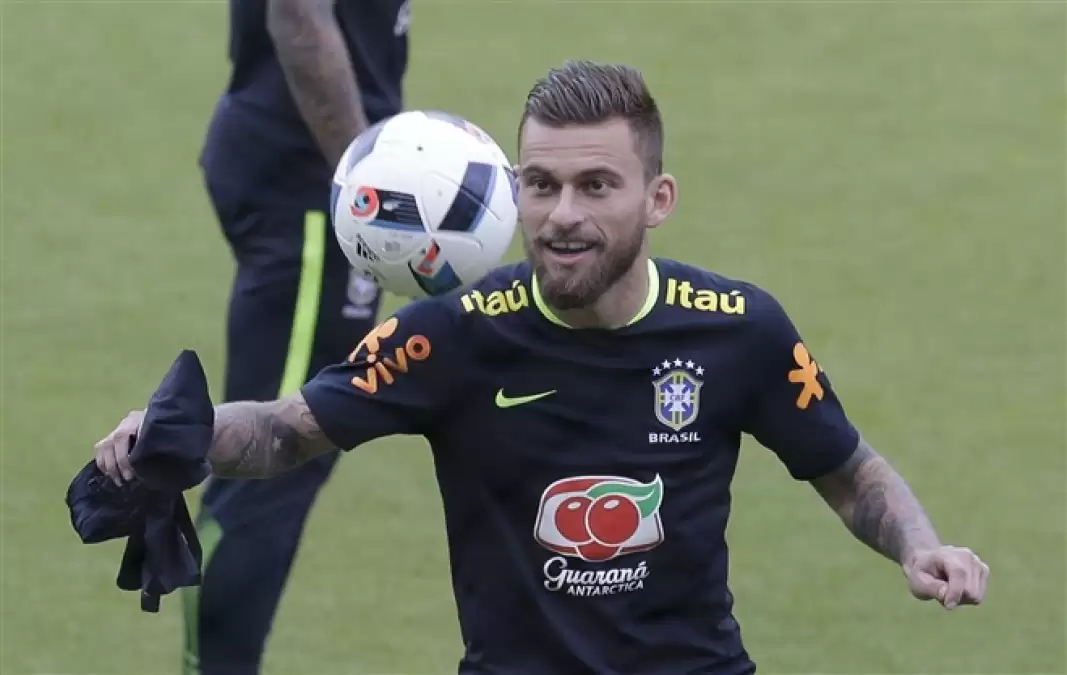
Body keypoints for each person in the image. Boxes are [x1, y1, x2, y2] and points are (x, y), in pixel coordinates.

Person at [99, 60, 989, 675]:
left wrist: (920, 544)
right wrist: (180, 434)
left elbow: (848, 469)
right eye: (540, 184)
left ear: (658, 198)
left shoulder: (737, 329)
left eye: (596, 186)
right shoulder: (449, 338)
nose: (562, 215)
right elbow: (287, 430)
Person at [185, 0, 411, 672]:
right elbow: (296, 11)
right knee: (274, 453)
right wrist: (363, 189)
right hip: (310, 183)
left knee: (285, 452)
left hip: (307, 166)